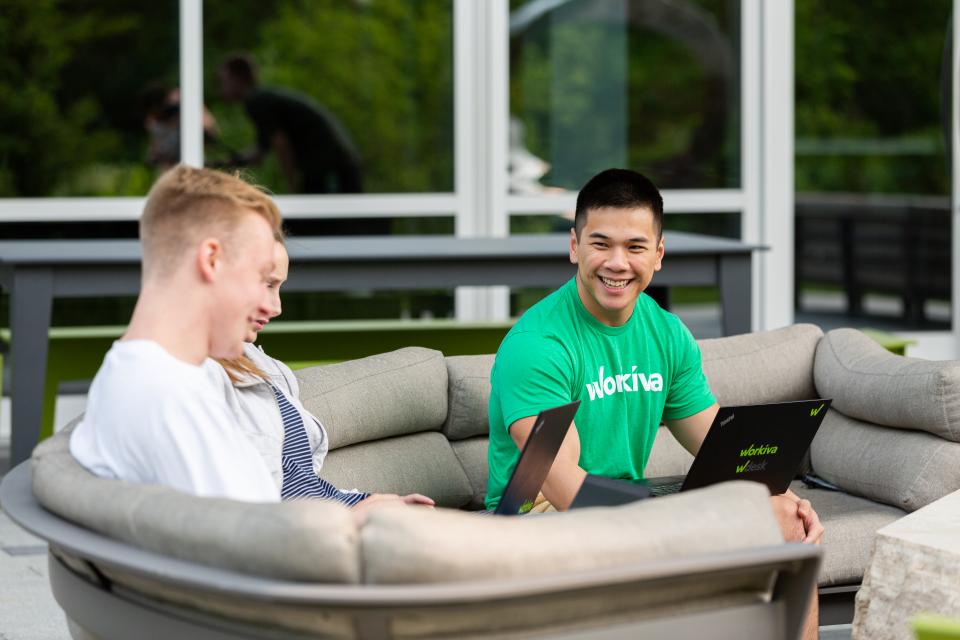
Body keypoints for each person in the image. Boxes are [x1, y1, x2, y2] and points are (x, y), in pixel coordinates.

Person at [484, 168, 822, 638]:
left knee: (788, 523)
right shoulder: (538, 346)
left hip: (626, 501)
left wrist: (783, 496)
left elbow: (718, 447)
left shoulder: (665, 334)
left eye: (635, 247)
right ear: (574, 247)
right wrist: (680, 520)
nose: (617, 263)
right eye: (600, 244)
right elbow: (565, 492)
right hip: (538, 518)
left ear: (658, 255)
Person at [70, 164, 285, 502]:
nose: (268, 303)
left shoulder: (150, 376)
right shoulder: (167, 401)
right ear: (212, 259)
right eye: (261, 277)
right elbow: (253, 547)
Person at [203, 238, 434, 513]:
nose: (276, 307)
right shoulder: (194, 378)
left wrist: (366, 502)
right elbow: (247, 518)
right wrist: (352, 517)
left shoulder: (264, 366)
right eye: (266, 284)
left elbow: (303, 484)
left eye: (278, 287)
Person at [218, 53, 362, 195]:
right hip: (332, 164)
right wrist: (227, 163)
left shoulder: (256, 102)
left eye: (224, 81)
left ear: (238, 79)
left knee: (323, 215)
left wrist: (291, 185)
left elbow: (280, 143)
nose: (221, 87)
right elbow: (259, 153)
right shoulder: (262, 99)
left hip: (331, 168)